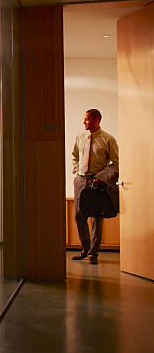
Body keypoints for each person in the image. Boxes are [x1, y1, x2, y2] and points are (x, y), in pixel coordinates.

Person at [71, 109, 119, 265]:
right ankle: (85, 249)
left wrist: (102, 178)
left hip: (97, 182)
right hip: (81, 181)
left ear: (97, 119)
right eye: (84, 119)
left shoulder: (108, 139)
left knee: (96, 218)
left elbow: (116, 163)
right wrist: (76, 172)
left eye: (87, 120)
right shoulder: (80, 137)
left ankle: (93, 254)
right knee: (79, 215)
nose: (84, 122)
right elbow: (75, 156)